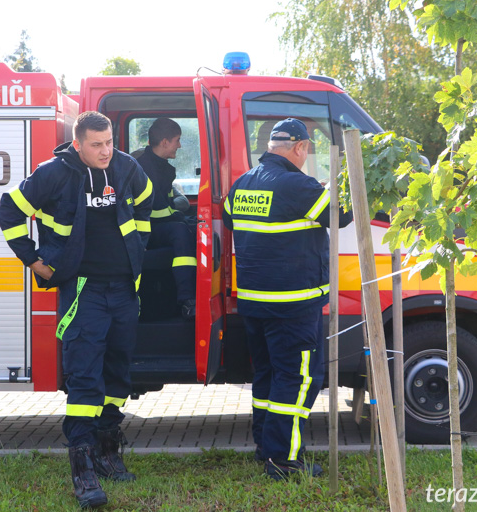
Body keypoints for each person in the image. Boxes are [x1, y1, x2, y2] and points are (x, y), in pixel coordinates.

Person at [0, 110, 153, 508]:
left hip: (123, 290)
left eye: (110, 143)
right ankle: (82, 468)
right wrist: (32, 260)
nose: (105, 151)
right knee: (85, 377)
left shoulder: (126, 167)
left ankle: (107, 451)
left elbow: (148, 202)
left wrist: (139, 248)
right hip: (83, 291)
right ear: (78, 143)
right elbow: (8, 211)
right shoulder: (54, 173)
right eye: (96, 145)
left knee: (118, 373)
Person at [221, 118, 353, 480]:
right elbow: (341, 216)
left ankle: (267, 445)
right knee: (297, 380)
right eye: (306, 150)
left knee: (267, 376)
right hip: (294, 304)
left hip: (254, 302)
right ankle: (284, 459)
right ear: (299, 148)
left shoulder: (243, 182)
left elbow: (230, 220)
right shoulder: (299, 185)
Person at [136, 118, 197, 319]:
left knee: (191, 227)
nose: (179, 145)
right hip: (143, 233)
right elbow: (158, 211)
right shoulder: (143, 169)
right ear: (164, 142)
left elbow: (167, 205)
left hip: (155, 227)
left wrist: (184, 219)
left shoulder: (163, 167)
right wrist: (180, 220)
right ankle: (187, 300)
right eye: (177, 140)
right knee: (181, 231)